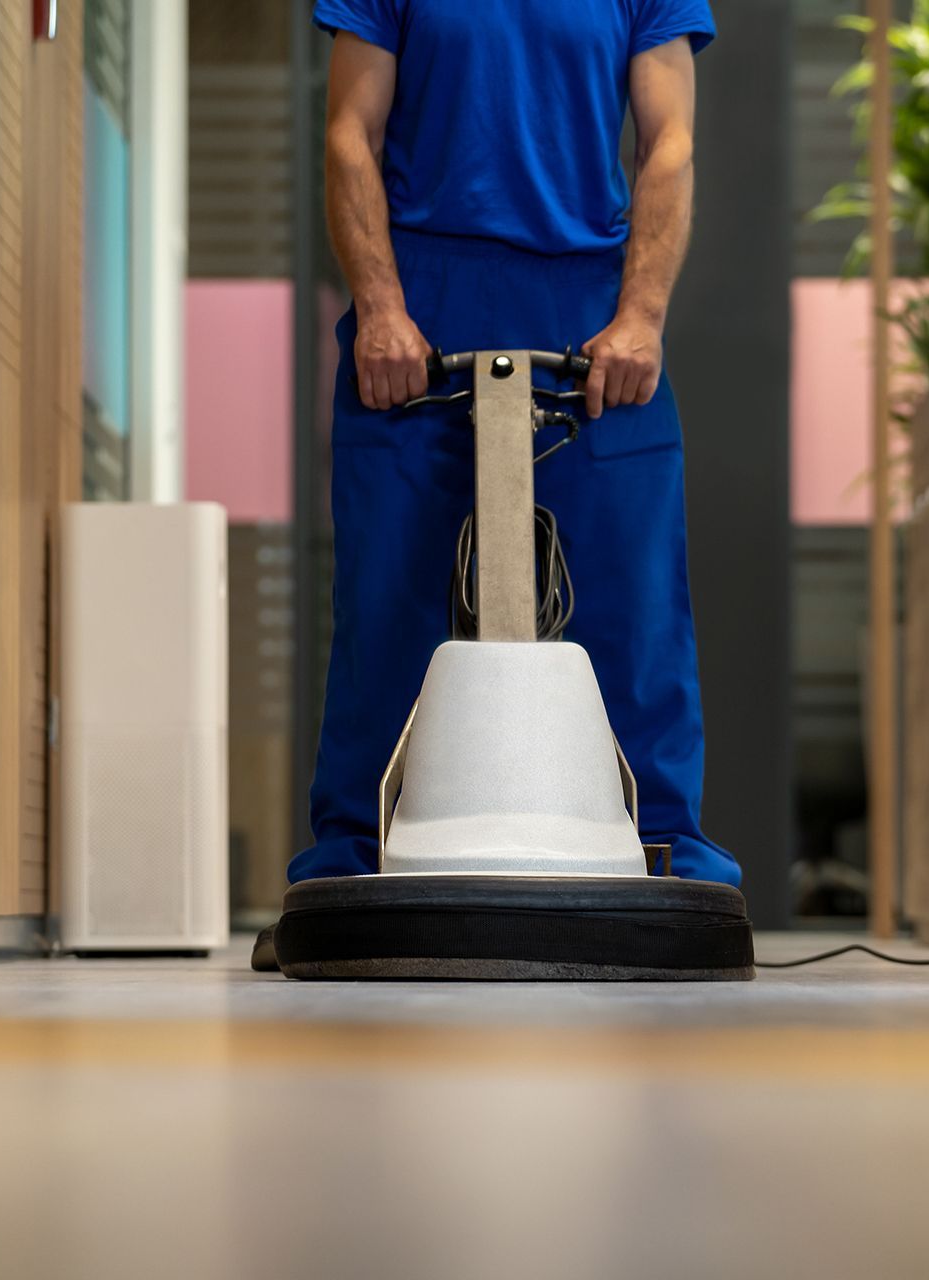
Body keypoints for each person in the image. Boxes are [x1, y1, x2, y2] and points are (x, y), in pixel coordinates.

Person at [291, 0, 741, 888]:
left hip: (588, 301)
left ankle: (663, 849)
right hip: (421, 290)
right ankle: (354, 852)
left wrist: (642, 318)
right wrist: (381, 309)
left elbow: (670, 143)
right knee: (389, 597)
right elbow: (350, 130)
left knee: (631, 593)